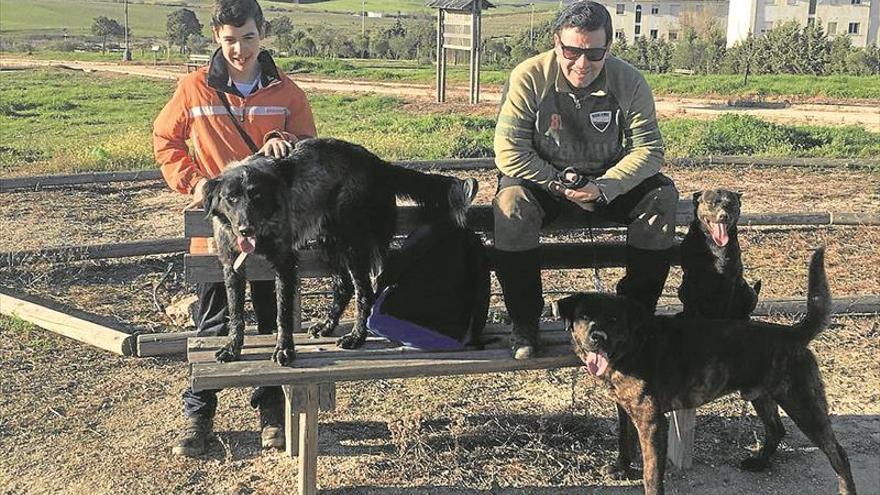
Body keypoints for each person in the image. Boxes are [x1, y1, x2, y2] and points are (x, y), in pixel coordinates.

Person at [153, 0, 316, 457]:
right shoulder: (194, 88)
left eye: (248, 37)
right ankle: (199, 416)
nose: (240, 49)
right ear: (216, 38)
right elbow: (165, 140)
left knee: (267, 321)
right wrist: (195, 182)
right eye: (230, 40)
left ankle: (269, 414)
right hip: (218, 233)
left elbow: (308, 151)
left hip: (271, 231)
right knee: (212, 322)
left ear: (262, 32)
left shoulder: (288, 93)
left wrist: (286, 144)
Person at [493, 1, 678, 360]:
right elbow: (509, 152)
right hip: (545, 182)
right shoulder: (529, 76)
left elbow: (650, 150)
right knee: (510, 204)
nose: (582, 63)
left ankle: (636, 316)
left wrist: (606, 186)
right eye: (572, 50)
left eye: (594, 53)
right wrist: (558, 183)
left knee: (661, 198)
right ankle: (525, 322)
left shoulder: (629, 81)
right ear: (556, 42)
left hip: (606, 181)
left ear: (608, 47)